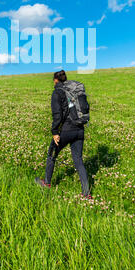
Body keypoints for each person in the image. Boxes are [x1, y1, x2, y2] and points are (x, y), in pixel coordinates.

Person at [35, 70, 91, 199]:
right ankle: (87, 194)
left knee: (51, 155)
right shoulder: (74, 91)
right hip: (79, 129)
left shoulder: (57, 92)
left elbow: (57, 115)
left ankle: (47, 183)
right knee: (78, 160)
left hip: (66, 131)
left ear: (55, 80)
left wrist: (55, 132)